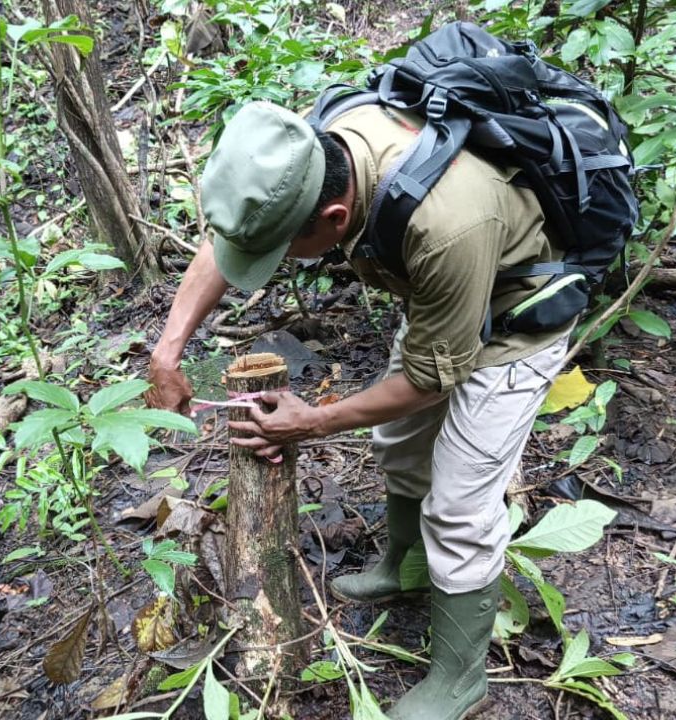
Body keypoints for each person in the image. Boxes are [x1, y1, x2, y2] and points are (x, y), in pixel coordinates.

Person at [144, 100, 573, 720]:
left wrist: (313, 421)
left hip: (517, 316)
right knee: (398, 442)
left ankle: (460, 678)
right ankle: (405, 567)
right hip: (441, 304)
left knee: (460, 503)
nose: (276, 265)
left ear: (335, 219)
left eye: (284, 253)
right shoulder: (298, 160)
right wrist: (167, 352)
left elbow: (429, 379)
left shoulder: (444, 221)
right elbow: (234, 233)